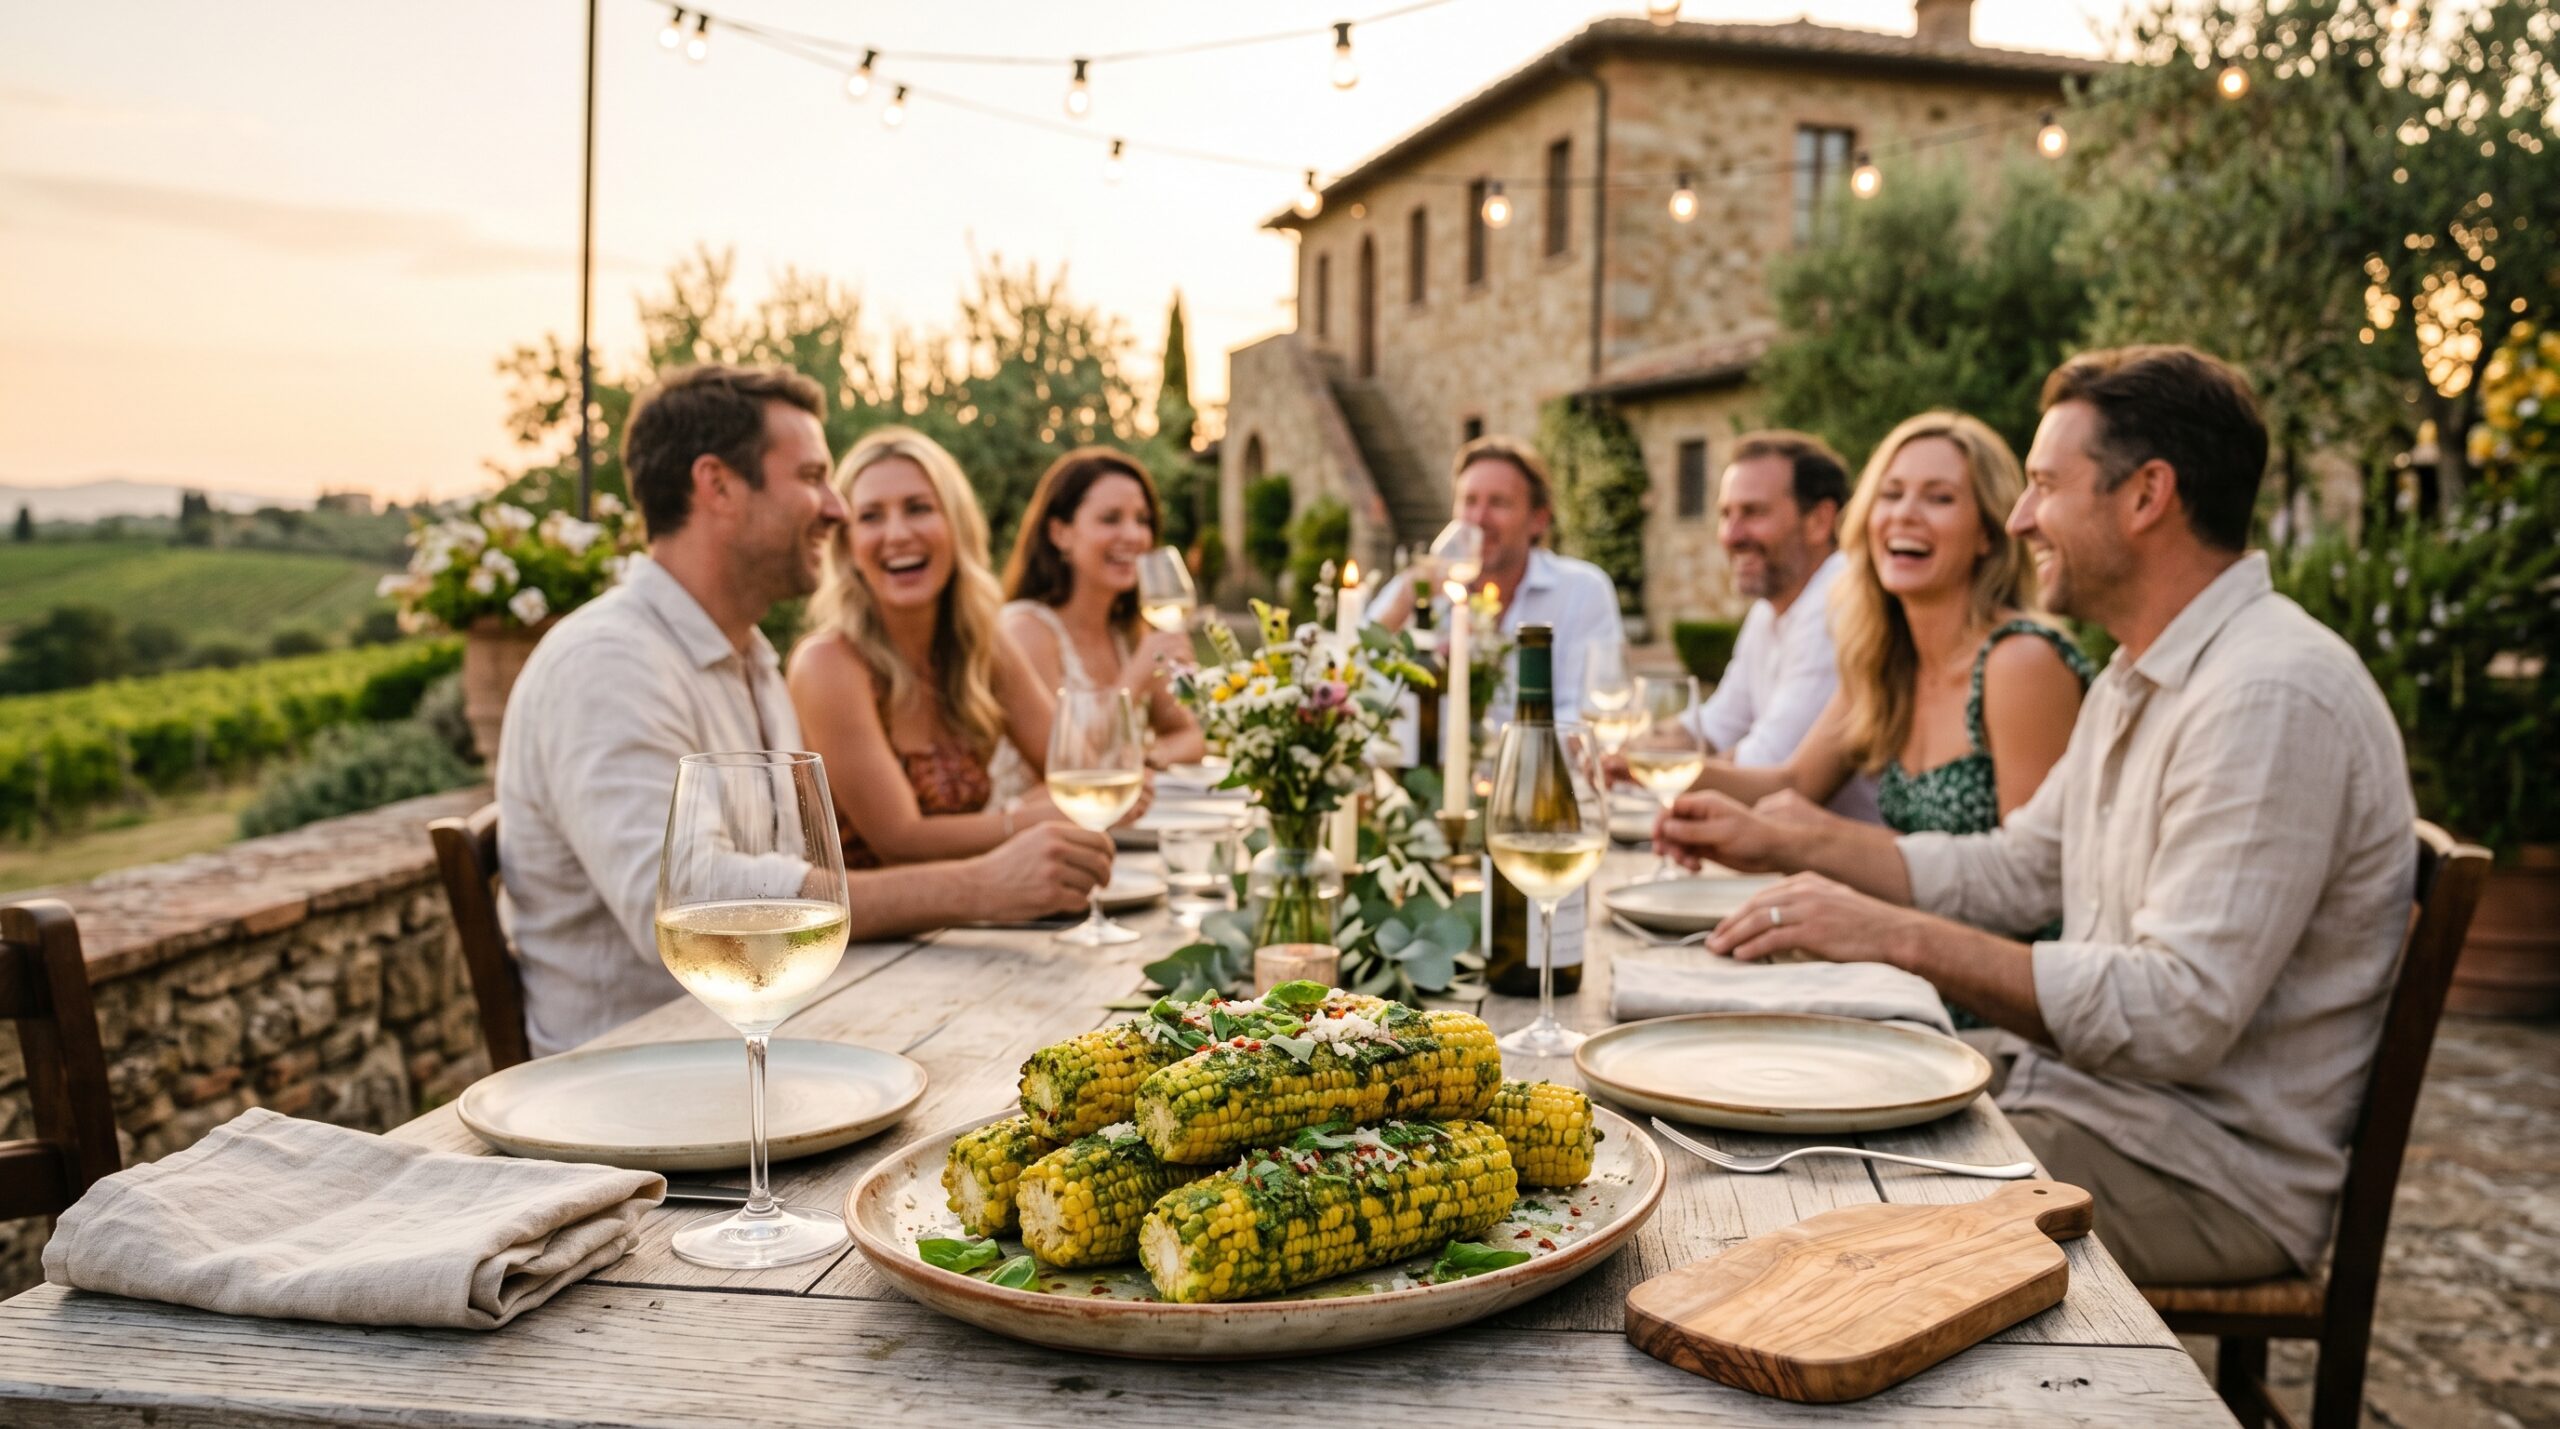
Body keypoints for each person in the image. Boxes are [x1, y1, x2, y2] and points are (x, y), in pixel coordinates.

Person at [1659, 346, 2414, 1286]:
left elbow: (2177, 1015)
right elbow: (2020, 868)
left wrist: (1899, 935)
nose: (2021, 517)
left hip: (2197, 1169)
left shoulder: (2268, 693)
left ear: (2146, 496)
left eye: (2045, 485)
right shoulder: (2143, 674)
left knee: (1795, 1219)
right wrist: (1813, 858)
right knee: (1736, 1125)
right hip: (2075, 1099)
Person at [497, 366, 1114, 1056]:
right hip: (639, 1079)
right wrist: (979, 885)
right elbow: (685, 900)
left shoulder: (750, 659)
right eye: (814, 477)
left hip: (765, 1041)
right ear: (718, 486)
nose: (838, 508)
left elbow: (780, 873)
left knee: (1066, 1030)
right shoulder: (607, 663)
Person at [1669, 414, 2091, 1016]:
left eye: (1939, 498)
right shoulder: (1884, 658)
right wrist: (1642, 770)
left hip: (1991, 1010)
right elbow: (1791, 783)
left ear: (1988, 535)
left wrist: (1810, 842)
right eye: (1891, 494)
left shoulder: (2020, 661)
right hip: (1889, 979)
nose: (1905, 515)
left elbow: (2032, 893)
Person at [788, 427, 1098, 869]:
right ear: (849, 546)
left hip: (978, 915)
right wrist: (1025, 818)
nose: (897, 534)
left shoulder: (981, 644)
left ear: (957, 527)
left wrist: (1032, 812)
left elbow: (1081, 773)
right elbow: (900, 840)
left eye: (918, 509)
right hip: (867, 932)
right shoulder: (828, 664)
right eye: (870, 516)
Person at [1681, 431, 1878, 821]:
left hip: (1856, 871)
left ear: (1820, 521)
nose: (1731, 536)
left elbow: (1767, 769)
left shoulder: (1840, 603)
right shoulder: (1772, 609)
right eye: (1725, 514)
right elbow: (1718, 723)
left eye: (1753, 513)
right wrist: (1628, 747)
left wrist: (1647, 767)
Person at [1364, 436, 1624, 721]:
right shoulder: (1419, 587)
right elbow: (1351, 682)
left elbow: (1589, 711)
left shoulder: (1582, 590)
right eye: (1469, 501)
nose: (1478, 518)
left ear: (1538, 518)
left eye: (1498, 503)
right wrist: (1401, 607)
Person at [996, 448, 1205, 776]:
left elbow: (1191, 736)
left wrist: (1147, 758)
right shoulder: (1025, 631)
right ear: (1059, 533)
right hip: (1039, 821)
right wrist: (1135, 680)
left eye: (1142, 520)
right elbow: (1065, 762)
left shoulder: (1131, 633)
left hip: (1117, 818)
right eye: (1110, 519)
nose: (1134, 536)